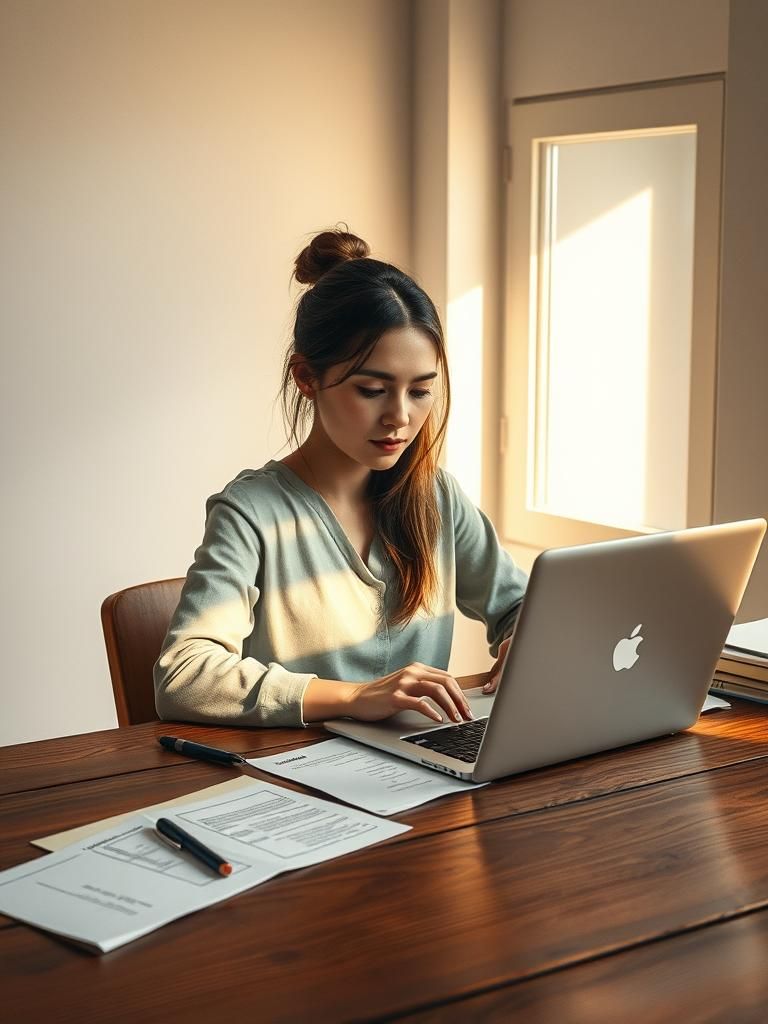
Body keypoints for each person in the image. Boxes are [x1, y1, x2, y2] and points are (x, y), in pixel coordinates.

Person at [154, 227, 528, 729]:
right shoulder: (251, 512)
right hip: (297, 780)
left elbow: (521, 605)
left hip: (423, 774)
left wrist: (524, 640)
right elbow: (184, 675)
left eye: (420, 391)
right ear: (306, 378)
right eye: (373, 389)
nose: (399, 416)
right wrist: (354, 696)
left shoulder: (437, 497)